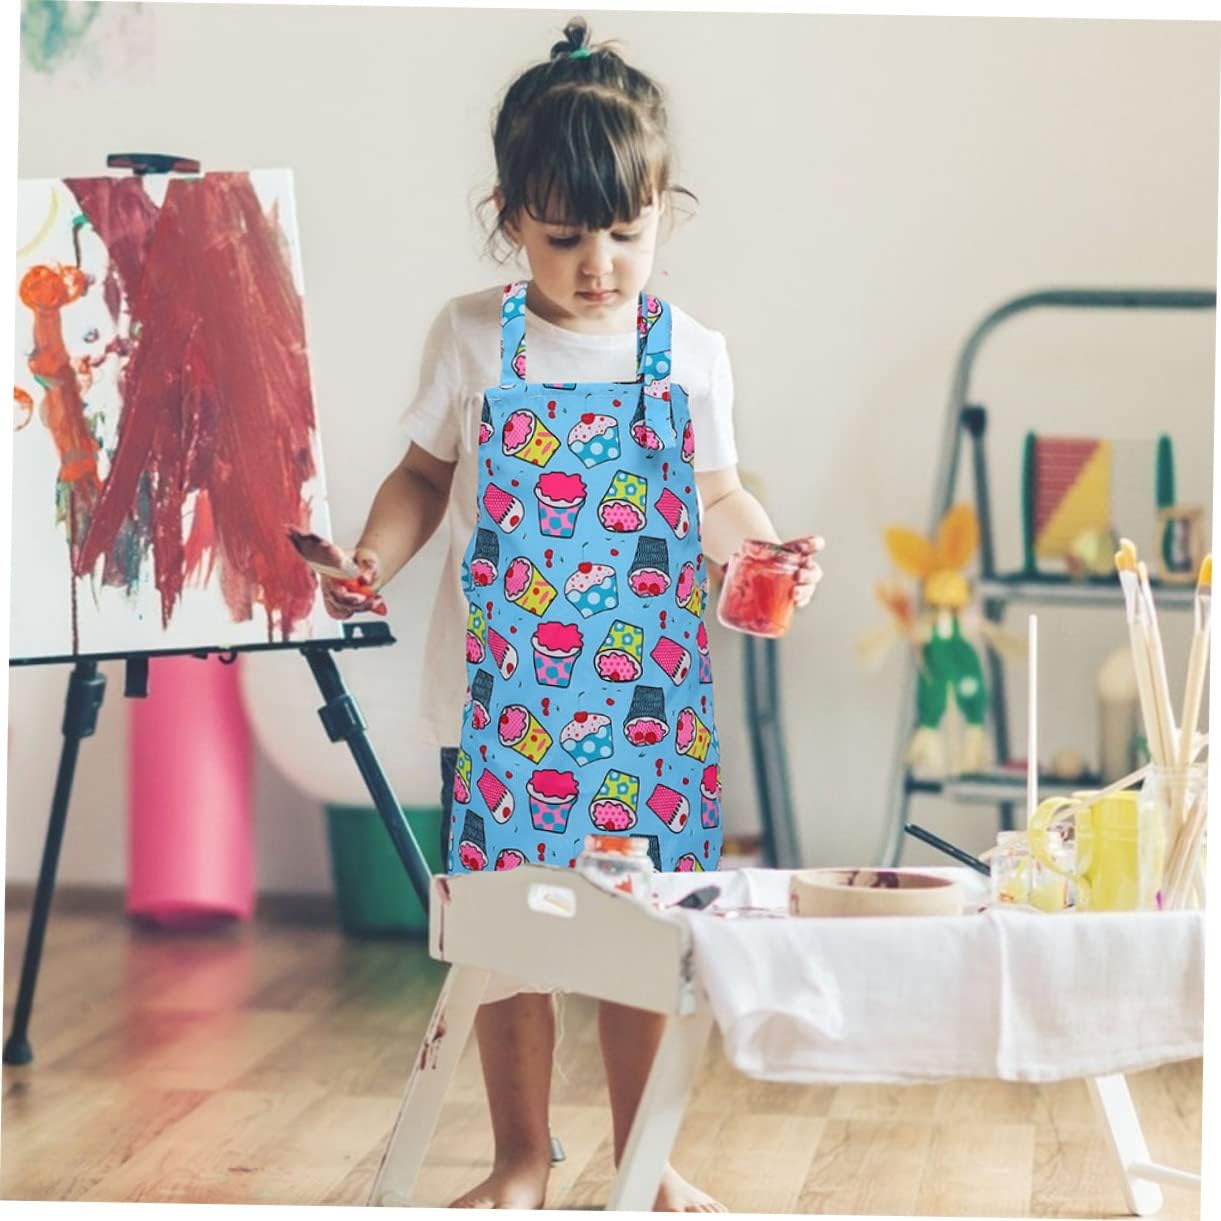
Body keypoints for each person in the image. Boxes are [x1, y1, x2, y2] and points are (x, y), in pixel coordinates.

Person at [323, 17, 822, 1210]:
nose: (599, 263)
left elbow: (715, 494)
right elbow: (423, 478)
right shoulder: (471, 338)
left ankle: (645, 1162)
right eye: (565, 237)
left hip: (645, 708)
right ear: (510, 218)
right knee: (512, 943)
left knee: (641, 941)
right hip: (501, 707)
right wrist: (373, 557)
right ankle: (519, 1159)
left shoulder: (690, 352)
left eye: (626, 232)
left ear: (663, 213)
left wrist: (765, 553)